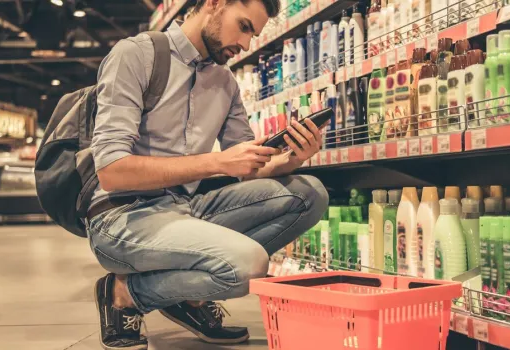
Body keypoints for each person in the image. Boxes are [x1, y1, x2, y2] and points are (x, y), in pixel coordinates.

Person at [87, 0, 329, 348]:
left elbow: (248, 171)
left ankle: (191, 296)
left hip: (185, 208)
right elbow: (111, 171)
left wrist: (292, 159)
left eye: (254, 35)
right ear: (214, 4)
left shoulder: (224, 81)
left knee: (309, 194)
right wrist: (216, 162)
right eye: (244, 27)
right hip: (121, 216)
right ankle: (124, 292)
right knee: (248, 265)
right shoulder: (136, 55)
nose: (246, 44)